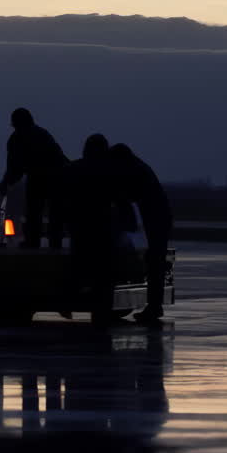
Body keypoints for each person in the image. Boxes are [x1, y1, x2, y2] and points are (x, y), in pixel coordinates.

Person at [110, 143, 173, 322]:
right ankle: (154, 307)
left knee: (154, 262)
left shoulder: (133, 170)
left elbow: (123, 197)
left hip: (156, 219)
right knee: (155, 262)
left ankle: (154, 307)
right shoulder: (138, 167)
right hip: (158, 217)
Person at [65, 134, 121, 323]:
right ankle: (102, 310)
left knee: (78, 265)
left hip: (80, 224)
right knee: (104, 272)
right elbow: (119, 198)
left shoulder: (74, 168)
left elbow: (64, 196)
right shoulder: (111, 170)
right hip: (103, 225)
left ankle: (70, 302)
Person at [0, 108, 70, 248]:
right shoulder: (43, 134)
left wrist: (3, 186)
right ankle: (53, 244)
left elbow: (13, 170)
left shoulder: (17, 139)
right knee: (52, 215)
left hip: (43, 178)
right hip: (57, 178)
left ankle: (34, 243)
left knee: (35, 211)